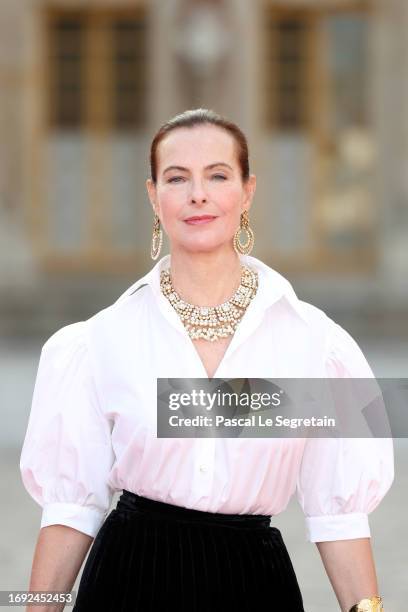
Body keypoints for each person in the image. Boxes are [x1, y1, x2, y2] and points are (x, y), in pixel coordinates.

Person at [20, 108, 394, 612]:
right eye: (178, 178)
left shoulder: (316, 346)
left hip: (254, 587)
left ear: (247, 191)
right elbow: (70, 511)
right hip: (127, 584)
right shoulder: (99, 343)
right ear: (154, 196)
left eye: (218, 175)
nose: (198, 194)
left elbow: (340, 517)